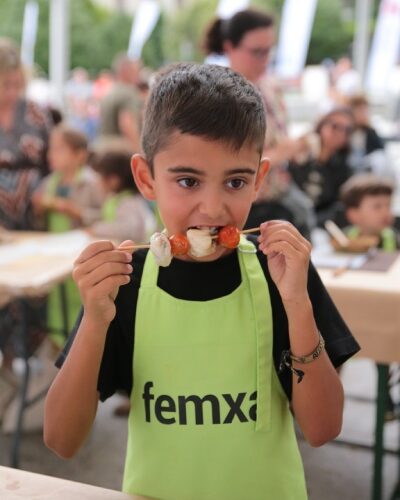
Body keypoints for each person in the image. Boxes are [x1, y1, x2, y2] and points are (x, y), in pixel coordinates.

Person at [44, 63, 359, 499]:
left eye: (235, 181)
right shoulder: (125, 283)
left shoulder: (283, 273)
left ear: (259, 181)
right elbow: (61, 440)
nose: (212, 209)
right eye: (188, 181)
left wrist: (299, 306)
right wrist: (95, 322)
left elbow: (323, 429)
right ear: (146, 178)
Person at [203, 8, 316, 240]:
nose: (264, 59)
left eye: (268, 51)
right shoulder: (217, 94)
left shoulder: (270, 87)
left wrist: (299, 147)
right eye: (256, 52)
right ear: (229, 47)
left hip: (281, 197)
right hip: (247, 209)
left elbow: (280, 142)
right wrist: (280, 153)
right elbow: (220, 161)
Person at [32, 124, 104, 344]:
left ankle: (81, 342)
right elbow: (38, 214)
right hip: (55, 258)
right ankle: (58, 342)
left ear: (79, 155)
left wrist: (77, 212)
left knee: (80, 303)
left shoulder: (92, 183)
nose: (51, 155)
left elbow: (104, 217)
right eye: (50, 149)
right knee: (57, 304)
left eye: (59, 149)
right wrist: (39, 207)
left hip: (82, 257)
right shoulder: (48, 183)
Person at [288, 107, 354, 227]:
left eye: (347, 130)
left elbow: (338, 205)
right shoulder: (302, 151)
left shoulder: (343, 168)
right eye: (335, 126)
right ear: (322, 125)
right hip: (289, 214)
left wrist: (313, 222)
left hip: (319, 224)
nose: (340, 133)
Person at [88, 149, 156, 243]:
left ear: (114, 180)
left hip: (135, 253)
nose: (97, 182)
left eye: (100, 176)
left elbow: (128, 229)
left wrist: (96, 229)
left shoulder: (129, 201)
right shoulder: (115, 198)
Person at [96, 54, 142, 152]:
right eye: (135, 71)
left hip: (104, 149)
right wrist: (139, 151)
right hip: (121, 152)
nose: (138, 75)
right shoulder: (128, 92)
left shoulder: (110, 91)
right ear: (126, 71)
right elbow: (127, 123)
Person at [340, 174, 400, 250]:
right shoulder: (343, 239)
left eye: (388, 205)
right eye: (377, 207)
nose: (386, 212)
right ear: (353, 214)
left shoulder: (396, 240)